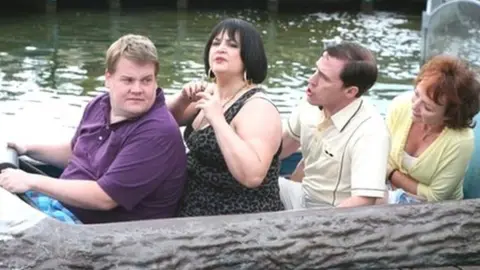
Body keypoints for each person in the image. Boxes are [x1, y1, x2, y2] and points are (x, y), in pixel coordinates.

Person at [0, 34, 187, 224]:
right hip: (60, 207)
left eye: (146, 80)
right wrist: (28, 148)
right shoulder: (99, 104)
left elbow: (104, 198)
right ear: (108, 78)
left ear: (156, 81)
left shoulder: (157, 133)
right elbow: (76, 151)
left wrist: (31, 181)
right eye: (128, 80)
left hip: (99, 233)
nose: (137, 89)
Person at [167, 18, 284, 216]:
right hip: (190, 205)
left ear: (249, 56)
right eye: (216, 43)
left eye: (232, 45)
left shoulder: (258, 108)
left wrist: (218, 120)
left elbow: (252, 175)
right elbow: (163, 122)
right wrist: (182, 99)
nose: (221, 49)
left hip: (235, 219)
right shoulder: (211, 93)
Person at [279, 41, 390, 209]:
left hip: (333, 213)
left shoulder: (371, 132)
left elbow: (363, 201)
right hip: (301, 194)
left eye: (323, 77)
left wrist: (319, 226)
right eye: (316, 70)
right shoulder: (312, 101)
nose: (311, 80)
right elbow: (280, 147)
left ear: (350, 91)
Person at [383, 55, 479, 204]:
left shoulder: (461, 141)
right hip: (388, 189)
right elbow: (380, 153)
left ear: (449, 116)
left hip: (434, 210)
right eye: (416, 94)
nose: (414, 106)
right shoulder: (401, 104)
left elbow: (435, 197)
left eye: (427, 107)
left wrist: (390, 173)